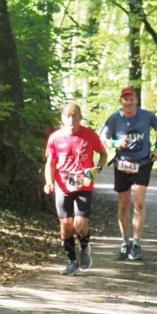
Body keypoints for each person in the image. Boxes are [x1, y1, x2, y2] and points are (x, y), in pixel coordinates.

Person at [99, 87, 157, 261]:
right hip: (122, 164)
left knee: (140, 203)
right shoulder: (115, 118)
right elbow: (102, 139)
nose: (128, 102)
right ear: (121, 101)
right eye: (125, 99)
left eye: (131, 98)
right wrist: (115, 143)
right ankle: (124, 241)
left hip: (143, 163)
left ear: (136, 100)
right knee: (123, 203)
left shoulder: (146, 116)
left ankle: (136, 243)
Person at [44, 103, 108, 276]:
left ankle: (85, 246)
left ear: (80, 117)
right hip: (62, 185)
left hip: (84, 184)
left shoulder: (89, 135)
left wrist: (98, 169)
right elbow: (50, 163)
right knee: (66, 226)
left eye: (75, 115)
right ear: (62, 118)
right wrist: (49, 181)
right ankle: (72, 260)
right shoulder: (55, 138)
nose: (71, 119)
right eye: (68, 116)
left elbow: (103, 154)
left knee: (80, 224)